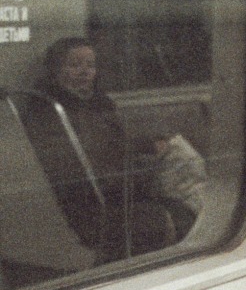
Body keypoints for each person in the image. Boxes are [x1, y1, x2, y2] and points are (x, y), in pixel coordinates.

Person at [21, 37, 182, 263]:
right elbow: (78, 169)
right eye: (75, 65)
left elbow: (116, 141)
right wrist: (139, 176)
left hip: (117, 185)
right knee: (175, 213)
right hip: (89, 203)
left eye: (90, 65)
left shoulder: (99, 102)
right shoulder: (49, 111)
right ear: (56, 71)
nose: (84, 71)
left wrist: (150, 144)